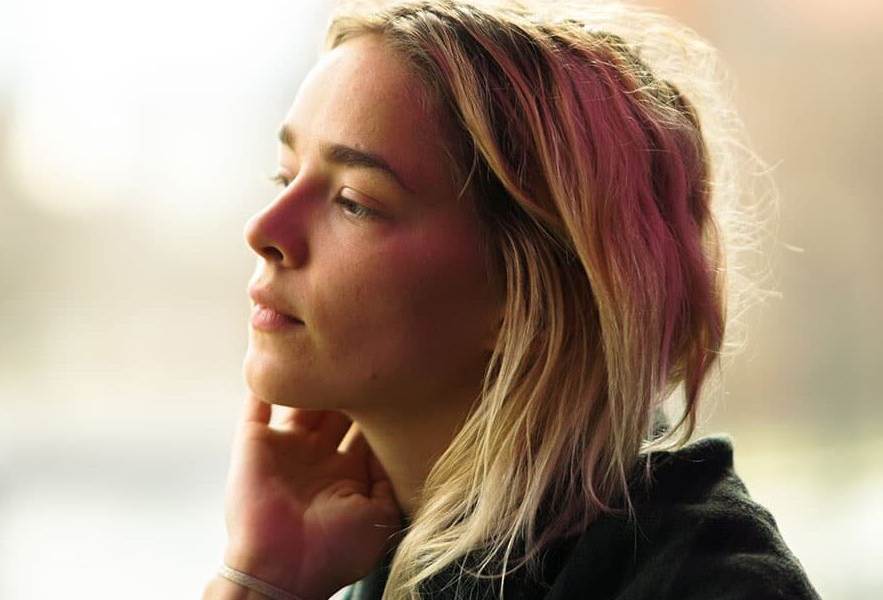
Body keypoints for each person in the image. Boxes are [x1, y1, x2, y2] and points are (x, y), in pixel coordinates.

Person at [203, 1, 819, 598]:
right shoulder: (390, 544)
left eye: (355, 202)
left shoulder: (708, 585)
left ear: (529, 291)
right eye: (286, 177)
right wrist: (264, 576)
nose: (264, 230)